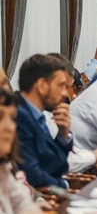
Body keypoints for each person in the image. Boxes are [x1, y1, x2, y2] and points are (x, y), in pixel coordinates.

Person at [0, 88, 52, 214]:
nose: (10, 127)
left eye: (12, 118)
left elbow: (25, 205)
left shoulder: (3, 166)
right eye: (0, 117)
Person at [16, 55, 73, 189]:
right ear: (42, 86)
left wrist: (63, 135)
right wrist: (64, 185)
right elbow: (32, 175)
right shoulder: (18, 116)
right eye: (61, 86)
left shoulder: (37, 115)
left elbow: (55, 165)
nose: (65, 94)